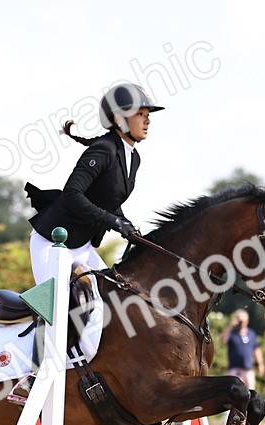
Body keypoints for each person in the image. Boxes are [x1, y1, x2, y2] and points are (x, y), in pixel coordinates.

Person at [10, 82, 164, 404]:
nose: (147, 120)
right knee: (67, 306)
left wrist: (127, 226)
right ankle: (31, 377)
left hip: (80, 245)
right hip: (53, 244)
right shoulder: (103, 151)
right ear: (120, 119)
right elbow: (72, 195)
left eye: (148, 114)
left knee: (118, 292)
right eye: (141, 114)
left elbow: (109, 199)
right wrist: (112, 222)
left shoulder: (131, 158)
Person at [224, 309, 265, 390]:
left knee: (250, 391)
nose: (241, 323)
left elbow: (256, 349)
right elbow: (223, 340)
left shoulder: (251, 333)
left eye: (243, 321)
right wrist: (230, 327)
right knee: (232, 391)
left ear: (247, 321)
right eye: (239, 321)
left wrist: (260, 364)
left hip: (248, 369)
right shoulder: (232, 333)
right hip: (234, 368)